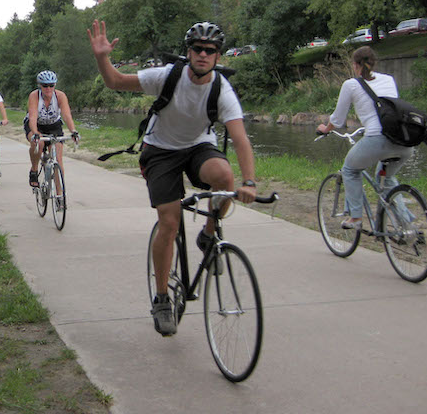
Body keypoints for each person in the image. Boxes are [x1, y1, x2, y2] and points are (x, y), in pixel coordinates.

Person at [87, 19, 257, 337]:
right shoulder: (168, 76)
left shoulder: (222, 89)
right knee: (170, 220)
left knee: (225, 177)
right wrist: (102, 57)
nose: (203, 54)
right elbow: (115, 82)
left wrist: (249, 181)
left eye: (210, 50)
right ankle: (162, 299)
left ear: (218, 55)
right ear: (189, 52)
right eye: (197, 49)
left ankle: (208, 235)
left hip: (198, 148)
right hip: (160, 150)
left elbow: (241, 138)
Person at [316, 46, 412, 230]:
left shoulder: (351, 85)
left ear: (355, 65)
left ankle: (355, 218)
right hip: (404, 140)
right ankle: (406, 225)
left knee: (350, 170)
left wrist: (325, 129)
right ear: (374, 62)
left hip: (378, 139)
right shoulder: (389, 80)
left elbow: (337, 119)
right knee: (387, 178)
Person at [24, 71, 79, 195]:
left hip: (54, 125)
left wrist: (73, 131)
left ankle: (60, 195)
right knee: (39, 144)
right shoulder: (34, 96)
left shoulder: (60, 96)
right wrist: (35, 133)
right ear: (40, 85)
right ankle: (34, 170)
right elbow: (32, 117)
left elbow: (66, 115)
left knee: (58, 161)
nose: (48, 88)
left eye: (51, 85)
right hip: (36, 124)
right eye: (45, 85)